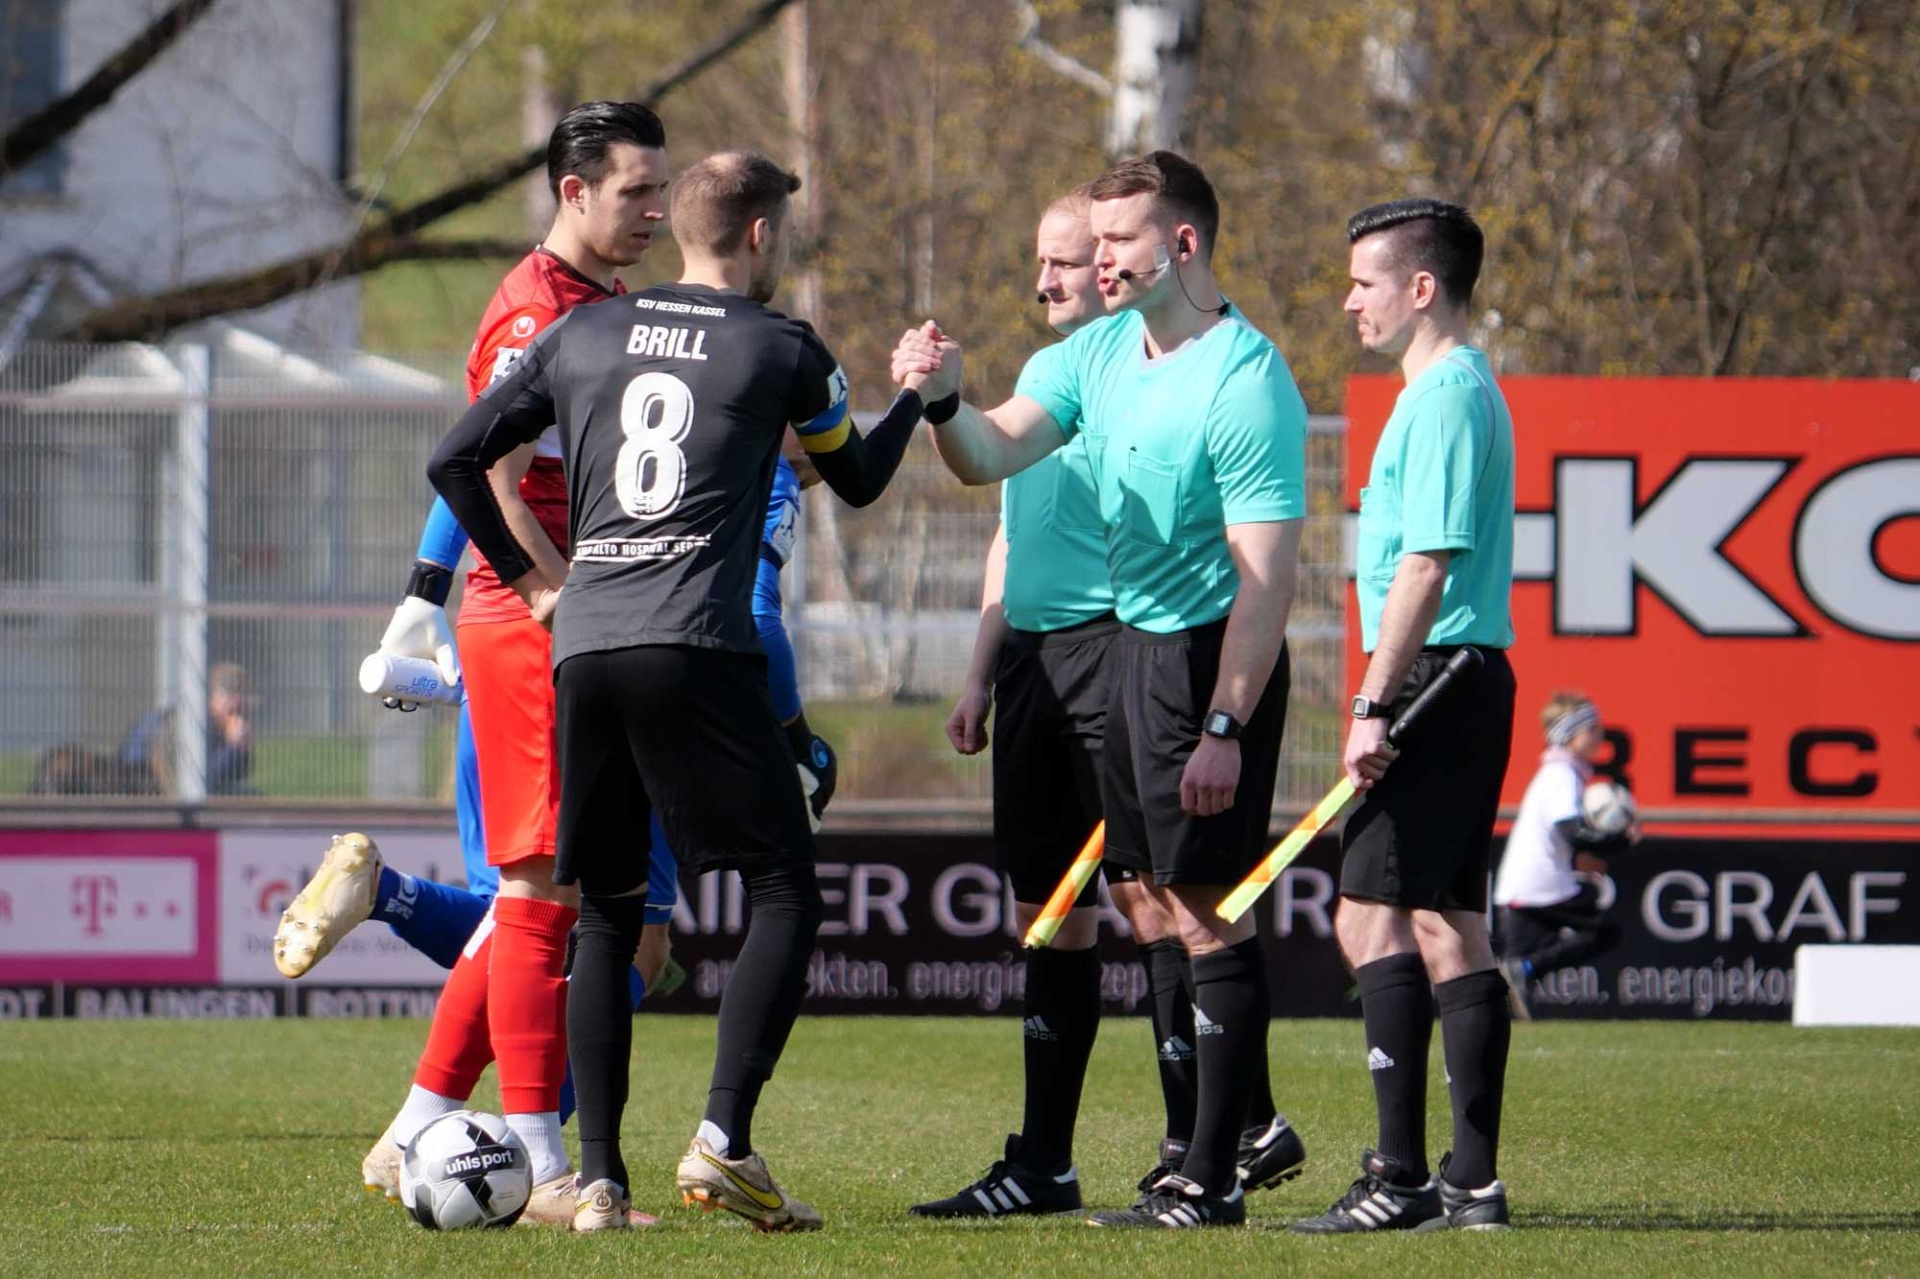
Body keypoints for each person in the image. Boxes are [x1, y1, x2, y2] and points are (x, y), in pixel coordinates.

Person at [429, 150, 923, 1234]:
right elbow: (859, 478)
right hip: (698, 640)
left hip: (587, 644)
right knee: (785, 888)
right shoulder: (782, 346)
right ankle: (723, 1142)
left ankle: (599, 1183)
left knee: (605, 913)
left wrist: (535, 586)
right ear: (761, 234)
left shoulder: (585, 331)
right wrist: (919, 399)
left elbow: (457, 459)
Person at [272, 101, 675, 1227]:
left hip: (564, 618)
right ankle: (541, 1169)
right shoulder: (535, 311)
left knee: (546, 900)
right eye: (637, 190)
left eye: (661, 188)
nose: (655, 209)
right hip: (535, 625)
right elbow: (483, 470)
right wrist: (547, 591)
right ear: (574, 190)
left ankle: (417, 1127)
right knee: (545, 895)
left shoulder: (599, 301)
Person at [893, 150, 1309, 1229]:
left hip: (1206, 658)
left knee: (1202, 908)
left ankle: (1215, 1170)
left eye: (1117, 240)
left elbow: (1269, 580)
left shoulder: (1246, 378)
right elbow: (989, 455)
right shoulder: (1099, 352)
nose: (1099, 257)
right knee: (1155, 900)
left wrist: (1226, 720)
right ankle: (1193, 1162)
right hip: (1137, 654)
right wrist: (942, 399)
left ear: (1183, 245)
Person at [1291, 198, 1518, 1235]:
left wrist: (1374, 702)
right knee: (1447, 923)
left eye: (1363, 282)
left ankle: (1403, 1176)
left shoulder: (1443, 397)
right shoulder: (1454, 390)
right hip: (1456, 675)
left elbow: (1426, 564)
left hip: (1433, 678)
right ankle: (1469, 1183)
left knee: (1370, 915)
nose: (1349, 301)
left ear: (1421, 288)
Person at [1493, 692, 1635, 1018]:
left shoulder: (1561, 773)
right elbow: (1572, 832)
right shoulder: (1561, 775)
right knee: (1603, 932)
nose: (1600, 734)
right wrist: (1619, 840)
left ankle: (1518, 976)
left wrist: (1575, 859)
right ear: (1569, 734)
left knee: (1509, 985)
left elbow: (1555, 836)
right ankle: (1520, 972)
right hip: (1538, 886)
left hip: (1525, 886)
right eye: (1591, 728)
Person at [119, 661, 257, 796]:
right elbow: (201, 780)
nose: (245, 710)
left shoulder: (217, 727)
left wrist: (240, 749)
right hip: (145, 790)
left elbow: (230, 777)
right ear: (220, 699)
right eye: (239, 705)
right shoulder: (188, 725)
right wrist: (234, 747)